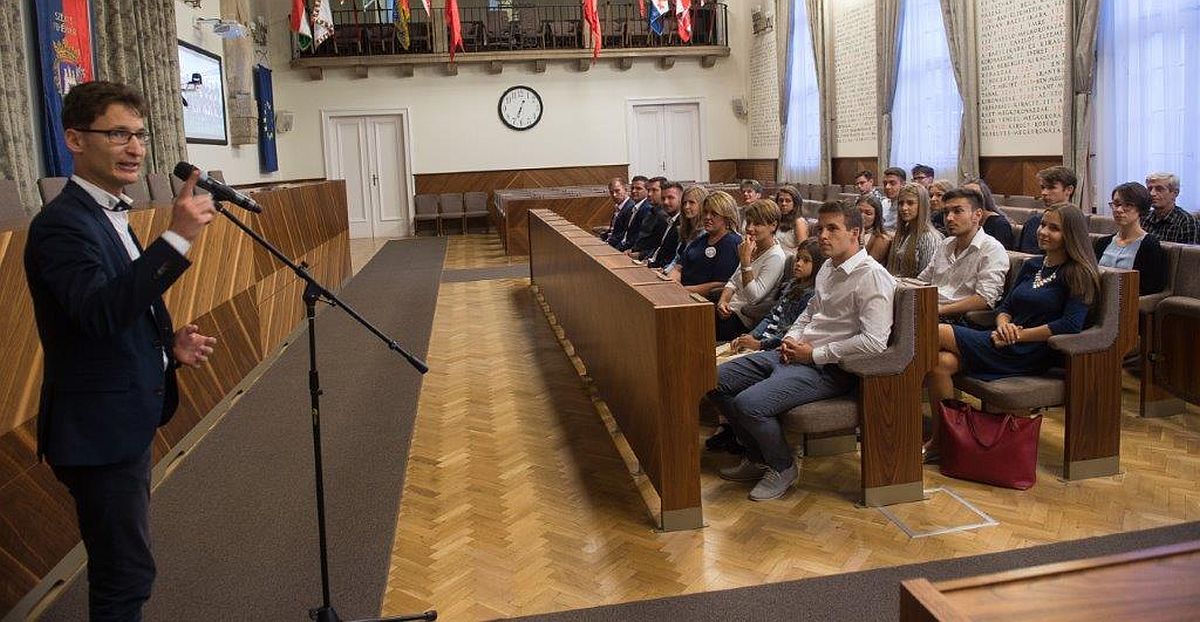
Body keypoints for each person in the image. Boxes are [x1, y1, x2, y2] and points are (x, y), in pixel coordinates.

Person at [23, 81, 218, 620]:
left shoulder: (108, 213)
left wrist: (167, 348)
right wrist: (177, 238)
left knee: (127, 570)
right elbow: (99, 312)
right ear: (74, 140)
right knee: (124, 578)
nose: (135, 148)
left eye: (140, 135)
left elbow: (118, 309)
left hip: (120, 420)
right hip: (96, 432)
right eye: (118, 135)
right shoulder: (62, 225)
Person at [709, 201, 895, 501]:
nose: (823, 236)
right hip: (797, 353)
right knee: (713, 380)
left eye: (832, 228)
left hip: (830, 368)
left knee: (749, 404)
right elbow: (809, 313)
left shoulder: (871, 275)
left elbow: (874, 342)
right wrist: (791, 338)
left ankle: (782, 466)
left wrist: (814, 354)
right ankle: (758, 457)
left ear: (855, 233)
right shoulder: (828, 268)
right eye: (820, 229)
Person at [926, 203, 1099, 456]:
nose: (1043, 232)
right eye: (1043, 225)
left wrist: (1018, 335)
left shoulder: (1078, 273)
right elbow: (1005, 307)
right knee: (940, 364)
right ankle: (944, 440)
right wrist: (1004, 325)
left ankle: (890, 399)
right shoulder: (1033, 266)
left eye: (1054, 228)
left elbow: (1070, 324)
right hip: (1003, 339)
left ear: (1071, 235)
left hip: (1032, 350)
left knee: (937, 331)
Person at [917, 188, 1009, 319]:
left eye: (957, 211)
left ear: (977, 215)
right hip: (930, 310)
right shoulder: (945, 244)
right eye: (946, 212)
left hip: (958, 318)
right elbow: (922, 281)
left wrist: (939, 310)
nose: (949, 218)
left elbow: (985, 299)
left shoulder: (992, 249)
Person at [729, 238, 827, 353]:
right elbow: (771, 316)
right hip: (763, 340)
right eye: (798, 258)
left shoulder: (811, 295)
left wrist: (759, 345)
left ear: (818, 265)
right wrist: (751, 336)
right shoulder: (791, 285)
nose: (798, 264)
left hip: (775, 347)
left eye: (806, 261)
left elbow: (791, 331)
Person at [715, 199, 789, 341]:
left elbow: (753, 298)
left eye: (757, 224)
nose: (749, 228)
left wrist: (745, 262)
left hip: (744, 319)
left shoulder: (775, 256)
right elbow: (733, 281)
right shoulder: (752, 247)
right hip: (730, 308)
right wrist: (722, 301)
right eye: (748, 222)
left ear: (773, 226)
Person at [1094, 182, 1169, 295]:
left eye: (1128, 205)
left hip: (1128, 300)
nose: (1119, 210)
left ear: (1141, 209)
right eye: (1116, 204)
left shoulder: (1149, 245)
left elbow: (1152, 287)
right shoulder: (1103, 242)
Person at [672, 191, 743, 298]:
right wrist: (672, 284)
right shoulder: (701, 239)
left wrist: (683, 291)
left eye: (714, 214)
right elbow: (678, 268)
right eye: (705, 212)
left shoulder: (731, 243)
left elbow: (721, 284)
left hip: (702, 299)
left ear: (726, 217)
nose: (707, 217)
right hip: (682, 292)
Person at [885, 183, 943, 278]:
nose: (904, 208)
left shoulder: (929, 237)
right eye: (901, 203)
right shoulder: (903, 233)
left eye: (910, 203)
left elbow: (926, 280)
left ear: (922, 205)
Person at [1017, 166, 1077, 254]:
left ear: (1069, 190)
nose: (1044, 193)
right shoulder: (1032, 222)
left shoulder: (1076, 223)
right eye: (1043, 187)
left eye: (1051, 188)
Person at [660, 184, 708, 275]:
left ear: (702, 205)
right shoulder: (685, 229)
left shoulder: (706, 233)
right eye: (684, 203)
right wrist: (666, 271)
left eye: (691, 203)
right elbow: (678, 259)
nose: (686, 207)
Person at [1142, 172, 1196, 244]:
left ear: (1175, 193)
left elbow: (1191, 250)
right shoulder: (1143, 217)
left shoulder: (1186, 222)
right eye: (1149, 189)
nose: (1152, 193)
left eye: (1159, 189)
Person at [961, 178, 1015, 250]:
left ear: (985, 198)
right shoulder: (961, 220)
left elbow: (1003, 252)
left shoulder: (999, 224)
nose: (969, 200)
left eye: (975, 195)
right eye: (964, 196)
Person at [645, 182, 684, 268]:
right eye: (663, 198)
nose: (665, 202)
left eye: (670, 198)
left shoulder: (683, 225)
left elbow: (674, 258)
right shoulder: (666, 220)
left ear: (681, 199)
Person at [609, 175, 648, 249]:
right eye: (632, 188)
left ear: (647, 190)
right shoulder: (632, 208)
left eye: (638, 188)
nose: (634, 191)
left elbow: (638, 237)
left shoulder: (647, 209)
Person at [773, 185, 809, 253]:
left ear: (795, 203)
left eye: (788, 201)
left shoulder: (799, 222)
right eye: (781, 200)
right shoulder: (776, 219)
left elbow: (803, 249)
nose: (783, 204)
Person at [857, 194, 892, 264]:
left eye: (868, 213)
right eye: (858, 211)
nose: (861, 216)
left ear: (876, 217)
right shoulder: (846, 231)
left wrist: (861, 240)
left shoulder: (882, 239)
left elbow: (866, 266)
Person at [599, 177, 632, 242]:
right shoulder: (618, 206)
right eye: (611, 192)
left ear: (626, 189)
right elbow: (613, 230)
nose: (614, 195)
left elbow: (623, 235)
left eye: (617, 191)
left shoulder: (630, 208)